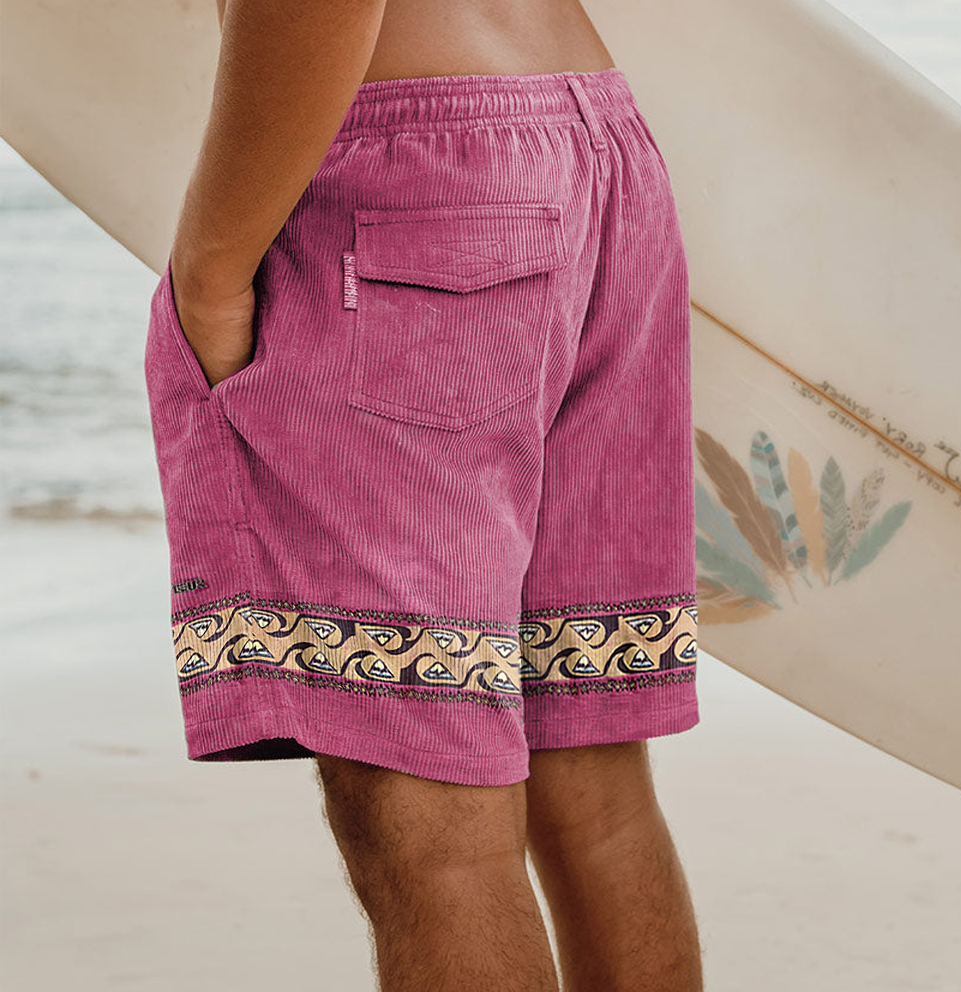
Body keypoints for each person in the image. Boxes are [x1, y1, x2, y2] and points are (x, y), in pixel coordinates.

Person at [146, 0, 703, 988]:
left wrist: (210, 272)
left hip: (418, 198)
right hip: (594, 156)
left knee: (426, 824)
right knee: (589, 780)